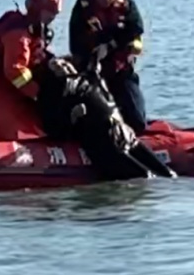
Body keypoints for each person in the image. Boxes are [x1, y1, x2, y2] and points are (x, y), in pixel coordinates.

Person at [34, 55, 175, 181]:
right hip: (102, 139)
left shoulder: (87, 78)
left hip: (120, 131)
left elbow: (105, 92)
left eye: (64, 63)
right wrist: (72, 117)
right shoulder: (54, 91)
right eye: (55, 66)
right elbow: (53, 127)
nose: (61, 66)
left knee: (167, 174)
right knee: (143, 176)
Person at [68, 0, 148, 135]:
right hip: (92, 76)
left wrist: (110, 45)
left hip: (120, 73)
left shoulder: (126, 6)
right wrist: (90, 57)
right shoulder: (83, 6)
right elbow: (75, 43)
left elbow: (136, 28)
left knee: (137, 121)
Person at [0, 0, 63, 140]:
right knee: (26, 137)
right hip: (1, 98)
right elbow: (15, 71)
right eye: (48, 16)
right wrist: (39, 94)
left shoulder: (33, 34)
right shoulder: (17, 34)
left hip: (20, 98)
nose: (49, 21)